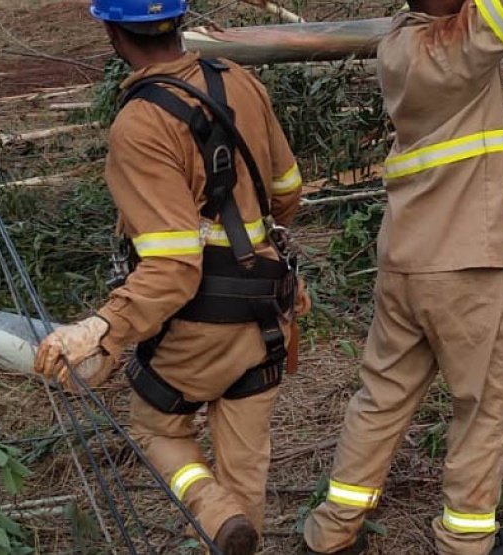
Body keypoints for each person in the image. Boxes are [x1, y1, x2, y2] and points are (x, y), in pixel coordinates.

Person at [33, 1, 308, 553]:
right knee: (244, 467)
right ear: (179, 22)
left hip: (198, 324)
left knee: (156, 427)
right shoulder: (240, 81)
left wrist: (100, 329)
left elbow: (173, 271)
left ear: (112, 32)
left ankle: (209, 510)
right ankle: (228, 527)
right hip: (268, 317)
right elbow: (288, 191)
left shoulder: (140, 124)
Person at [302, 0, 503, 554]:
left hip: (403, 259)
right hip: (464, 265)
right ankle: (465, 543)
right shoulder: (457, 51)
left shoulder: (398, 43)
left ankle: (331, 530)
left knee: (382, 396)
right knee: (481, 406)